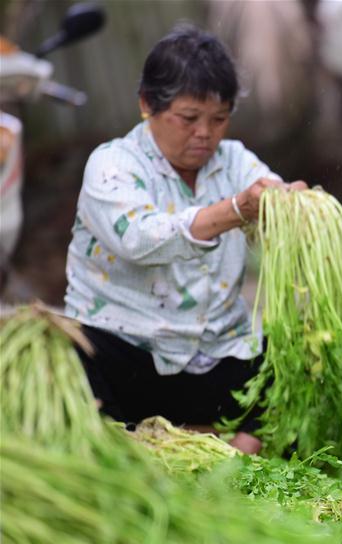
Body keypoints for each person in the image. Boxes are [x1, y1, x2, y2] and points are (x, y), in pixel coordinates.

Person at [65, 25, 307, 454]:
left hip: (214, 358)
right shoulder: (112, 165)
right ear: (147, 106)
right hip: (131, 357)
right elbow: (141, 237)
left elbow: (267, 193)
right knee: (67, 351)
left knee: (321, 336)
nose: (205, 134)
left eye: (219, 119)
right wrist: (234, 211)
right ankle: (127, 444)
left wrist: (293, 209)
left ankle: (245, 454)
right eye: (189, 118)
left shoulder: (234, 161)